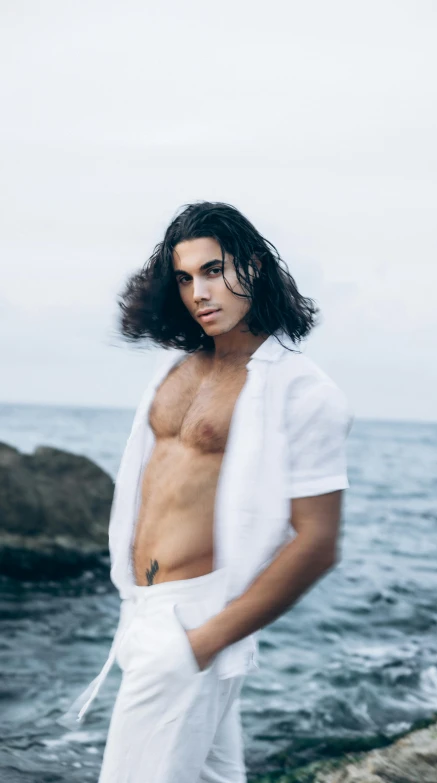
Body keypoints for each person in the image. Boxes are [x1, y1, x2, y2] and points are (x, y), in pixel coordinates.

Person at [59, 201, 355, 782]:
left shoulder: (304, 392)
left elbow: (317, 542)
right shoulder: (175, 368)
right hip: (143, 613)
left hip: (195, 619)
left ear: (253, 268)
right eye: (186, 277)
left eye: (214, 270)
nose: (200, 291)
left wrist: (200, 643)